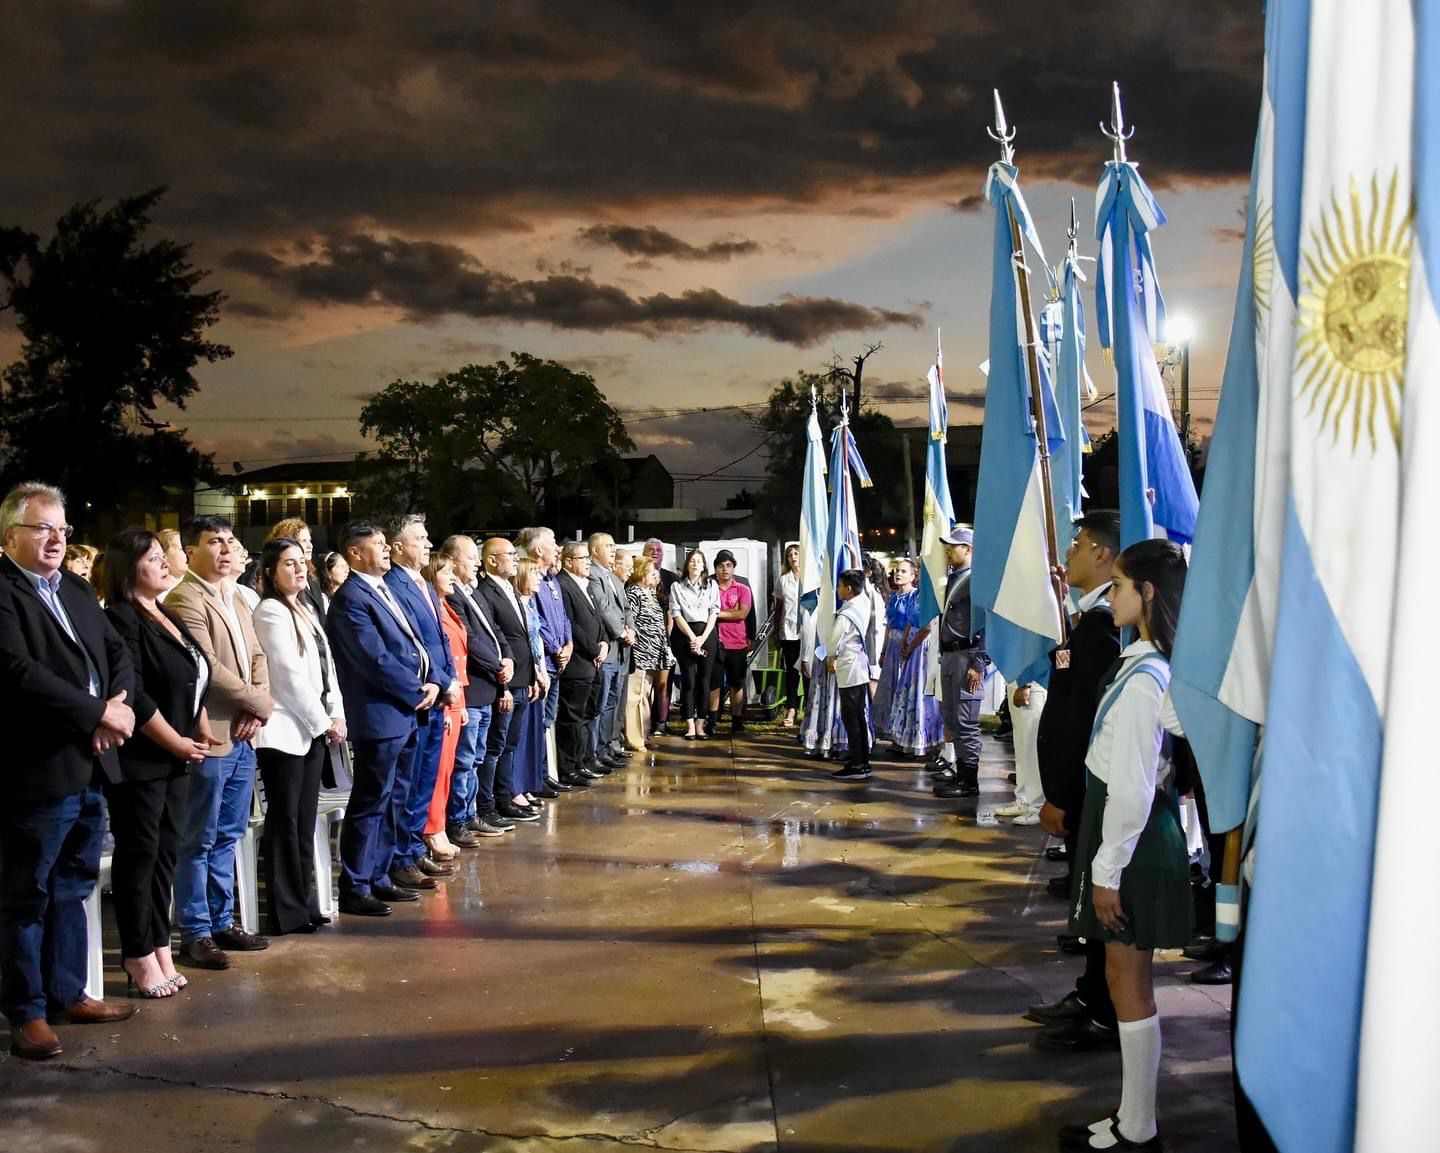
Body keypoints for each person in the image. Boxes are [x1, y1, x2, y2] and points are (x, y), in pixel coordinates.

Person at [1058, 539, 1190, 1153]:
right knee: (1122, 976)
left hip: (1130, 839)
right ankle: (1132, 1119)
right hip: (1126, 831)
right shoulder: (1144, 662)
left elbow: (1133, 788)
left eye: (1119, 586)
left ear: (1148, 593)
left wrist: (1107, 871)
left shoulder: (1145, 679)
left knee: (1128, 981)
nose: (1110, 595)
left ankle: (1138, 1127)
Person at [0, 482, 138, 1060]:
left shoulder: (76, 589)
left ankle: (67, 992)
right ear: (10, 536)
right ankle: (26, 1012)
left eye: (62, 529)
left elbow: (117, 650)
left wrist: (118, 704)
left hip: (92, 763)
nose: (56, 539)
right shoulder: (4, 591)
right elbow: (18, 671)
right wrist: (95, 713)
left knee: (74, 884)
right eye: (43, 528)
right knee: (26, 893)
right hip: (39, 766)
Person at [1026, 511, 1124, 1053]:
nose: (1070, 552)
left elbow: (1083, 718)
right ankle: (1091, 995)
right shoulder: (1089, 620)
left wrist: (1061, 793)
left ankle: (1104, 1009)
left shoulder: (1104, 626)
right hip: (1081, 786)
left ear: (1103, 554)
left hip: (1089, 788)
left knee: (1100, 899)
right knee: (1088, 898)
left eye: (1079, 544)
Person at [102, 529, 215, 997]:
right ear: (128, 569)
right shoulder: (121, 618)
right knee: (140, 854)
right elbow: (138, 693)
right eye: (152, 557)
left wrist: (200, 721)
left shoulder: (164, 612)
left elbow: (192, 672)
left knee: (166, 853)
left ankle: (159, 945)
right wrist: (175, 742)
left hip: (176, 754)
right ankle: (137, 953)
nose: (164, 562)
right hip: (143, 757)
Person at [165, 515, 274, 969]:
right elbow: (206, 666)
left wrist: (257, 706)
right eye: (215, 542)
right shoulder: (183, 598)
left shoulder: (236, 596)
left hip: (243, 733)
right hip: (209, 734)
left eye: (230, 541)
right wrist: (259, 703)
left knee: (229, 834)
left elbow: (257, 656)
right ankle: (195, 931)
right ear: (191, 551)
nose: (226, 549)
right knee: (199, 837)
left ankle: (222, 919)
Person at [325, 521, 433, 916]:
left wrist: (433, 680)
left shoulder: (382, 589)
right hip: (380, 715)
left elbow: (414, 643)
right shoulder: (351, 599)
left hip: (404, 712)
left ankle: (380, 874)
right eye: (378, 544)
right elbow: (375, 659)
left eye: (388, 543)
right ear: (354, 553)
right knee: (371, 800)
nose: (387, 549)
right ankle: (356, 884)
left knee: (394, 800)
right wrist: (417, 689)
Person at [252, 538, 346, 936]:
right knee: (286, 821)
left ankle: (304, 903)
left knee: (304, 821)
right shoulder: (270, 611)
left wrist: (336, 712)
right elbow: (287, 676)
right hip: (287, 730)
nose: (298, 569)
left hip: (314, 727)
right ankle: (285, 911)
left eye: (301, 562)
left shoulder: (304, 608)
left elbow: (327, 668)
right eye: (288, 564)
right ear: (270, 572)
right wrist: (322, 721)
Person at [383, 514, 459, 892]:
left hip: (438, 693)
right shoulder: (394, 584)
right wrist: (438, 682)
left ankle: (414, 848)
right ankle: (401, 857)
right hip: (420, 696)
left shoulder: (423, 583)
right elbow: (409, 643)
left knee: (425, 780)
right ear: (398, 547)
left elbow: (441, 640)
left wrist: (449, 679)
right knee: (409, 784)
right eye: (420, 539)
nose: (428, 544)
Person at [437, 535, 508, 842]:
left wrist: (507, 658)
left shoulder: (474, 592)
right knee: (464, 760)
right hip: (474, 687)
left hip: (489, 686)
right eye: (470, 557)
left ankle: (470, 813)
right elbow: (471, 641)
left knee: (477, 757)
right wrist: (497, 665)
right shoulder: (452, 596)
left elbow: (494, 631)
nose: (477, 562)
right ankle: (458, 820)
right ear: (452, 561)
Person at [475, 537, 538, 823]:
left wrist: (532, 676)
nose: (515, 558)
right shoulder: (486, 592)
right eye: (509, 554)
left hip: (522, 679)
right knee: (495, 746)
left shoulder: (509, 588)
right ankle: (488, 804)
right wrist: (504, 687)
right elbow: (494, 639)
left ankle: (505, 796)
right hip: (504, 683)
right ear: (491, 560)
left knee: (511, 744)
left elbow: (523, 635)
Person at [931, 526, 987, 800]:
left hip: (967, 655)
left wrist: (979, 663)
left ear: (968, 549)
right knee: (952, 718)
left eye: (954, 546)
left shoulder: (976, 580)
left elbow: (985, 622)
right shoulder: (954, 579)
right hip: (951, 655)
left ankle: (969, 781)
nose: (948, 551)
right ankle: (961, 773)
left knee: (966, 721)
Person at [423, 552, 470, 856]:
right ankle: (433, 829)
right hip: (444, 698)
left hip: (456, 694)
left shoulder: (446, 606)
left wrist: (461, 703)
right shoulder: (432, 610)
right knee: (438, 769)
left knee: (448, 768)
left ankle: (438, 826)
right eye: (446, 572)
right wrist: (445, 702)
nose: (453, 577)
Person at [519, 527, 572, 783]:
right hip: (545, 662)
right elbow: (536, 622)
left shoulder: (552, 579)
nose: (558, 548)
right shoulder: (529, 578)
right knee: (538, 722)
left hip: (559, 661)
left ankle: (544, 774)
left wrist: (569, 644)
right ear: (539, 550)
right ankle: (537, 776)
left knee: (548, 719)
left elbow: (563, 617)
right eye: (553, 543)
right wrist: (555, 647)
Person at [556, 541, 606, 785]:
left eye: (588, 558)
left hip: (593, 661)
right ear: (568, 562)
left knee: (588, 714)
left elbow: (597, 618)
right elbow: (571, 624)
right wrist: (595, 648)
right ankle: (569, 767)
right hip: (578, 662)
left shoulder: (585, 584)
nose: (588, 562)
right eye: (583, 558)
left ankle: (582, 761)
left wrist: (604, 642)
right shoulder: (563, 584)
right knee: (572, 719)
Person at [885, 558, 943, 758]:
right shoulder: (916, 594)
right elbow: (910, 619)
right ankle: (904, 739)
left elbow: (927, 627)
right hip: (910, 642)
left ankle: (921, 741)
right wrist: (904, 642)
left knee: (919, 692)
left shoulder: (931, 595)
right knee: (906, 692)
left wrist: (910, 647)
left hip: (922, 648)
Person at [510, 555, 556, 803]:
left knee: (534, 734)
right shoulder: (517, 604)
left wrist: (542, 671)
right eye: (534, 574)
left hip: (537, 673)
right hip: (525, 677)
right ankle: (515, 787)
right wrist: (535, 673)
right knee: (520, 735)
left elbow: (536, 640)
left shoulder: (530, 605)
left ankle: (528, 783)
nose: (539, 578)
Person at [586, 532, 629, 768]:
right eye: (608, 546)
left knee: (612, 702)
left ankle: (605, 748)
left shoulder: (612, 576)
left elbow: (625, 608)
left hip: (620, 650)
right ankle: (594, 752)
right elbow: (603, 608)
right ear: (595, 550)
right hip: (608, 648)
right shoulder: (593, 574)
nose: (613, 550)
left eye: (614, 546)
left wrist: (631, 630)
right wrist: (621, 632)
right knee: (600, 704)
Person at [827, 569, 873, 781]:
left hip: (849, 665)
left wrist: (829, 656)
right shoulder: (863, 603)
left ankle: (858, 764)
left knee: (851, 716)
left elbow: (834, 640)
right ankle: (862, 759)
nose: (838, 590)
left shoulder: (847, 613)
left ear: (848, 588)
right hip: (860, 665)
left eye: (840, 586)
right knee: (859, 716)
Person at [669, 548, 718, 740]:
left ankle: (700, 723)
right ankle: (689, 723)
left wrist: (702, 638)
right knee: (688, 679)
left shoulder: (711, 585)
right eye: (692, 561)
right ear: (687, 565)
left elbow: (714, 612)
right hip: (684, 634)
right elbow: (676, 613)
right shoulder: (677, 586)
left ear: (704, 565)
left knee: (705, 680)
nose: (695, 564)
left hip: (706, 634)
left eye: (699, 561)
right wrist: (692, 638)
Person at [625, 556, 668, 751]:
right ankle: (634, 739)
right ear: (641, 573)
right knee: (634, 696)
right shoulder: (634, 593)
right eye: (651, 572)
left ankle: (644, 734)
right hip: (640, 653)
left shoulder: (650, 592)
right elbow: (631, 622)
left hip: (653, 654)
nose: (655, 575)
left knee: (645, 695)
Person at [708, 549, 753, 735]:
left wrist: (716, 613)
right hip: (715, 642)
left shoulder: (743, 589)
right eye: (721, 566)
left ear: (734, 568)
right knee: (714, 684)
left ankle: (737, 721)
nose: (725, 569)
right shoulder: (709, 588)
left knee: (737, 683)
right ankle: (712, 721)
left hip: (737, 642)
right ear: (715, 569)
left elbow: (743, 613)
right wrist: (730, 612)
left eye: (728, 565)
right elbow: (704, 611)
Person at [643, 538, 677, 736]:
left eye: (658, 550)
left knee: (664, 684)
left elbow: (671, 614)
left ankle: (661, 722)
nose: (655, 553)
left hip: (666, 640)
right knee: (645, 686)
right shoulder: (635, 581)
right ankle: (645, 723)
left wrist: (665, 639)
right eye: (651, 549)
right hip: (643, 643)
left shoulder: (671, 578)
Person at [267, 517, 327, 625]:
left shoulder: (312, 576)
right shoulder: (284, 580)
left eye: (310, 540)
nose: (310, 546)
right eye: (304, 541)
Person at [771, 544, 803, 727]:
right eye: (790, 555)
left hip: (807, 631)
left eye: (796, 553)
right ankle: (791, 708)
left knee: (808, 671)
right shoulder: (783, 580)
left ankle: (809, 707)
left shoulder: (811, 577)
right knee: (792, 672)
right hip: (788, 631)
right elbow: (778, 607)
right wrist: (776, 631)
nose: (793, 557)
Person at [157, 528, 188, 594]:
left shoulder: (194, 584)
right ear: (164, 556)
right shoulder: (159, 591)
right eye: (181, 549)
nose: (188, 554)